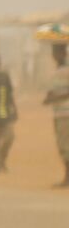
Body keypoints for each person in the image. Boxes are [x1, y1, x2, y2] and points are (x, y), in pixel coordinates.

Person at [45, 41, 69, 188]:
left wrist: (57, 97)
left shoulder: (66, 70)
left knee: (66, 146)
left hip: (66, 113)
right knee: (62, 146)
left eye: (56, 52)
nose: (54, 55)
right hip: (58, 113)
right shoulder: (56, 72)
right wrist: (49, 97)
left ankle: (67, 178)